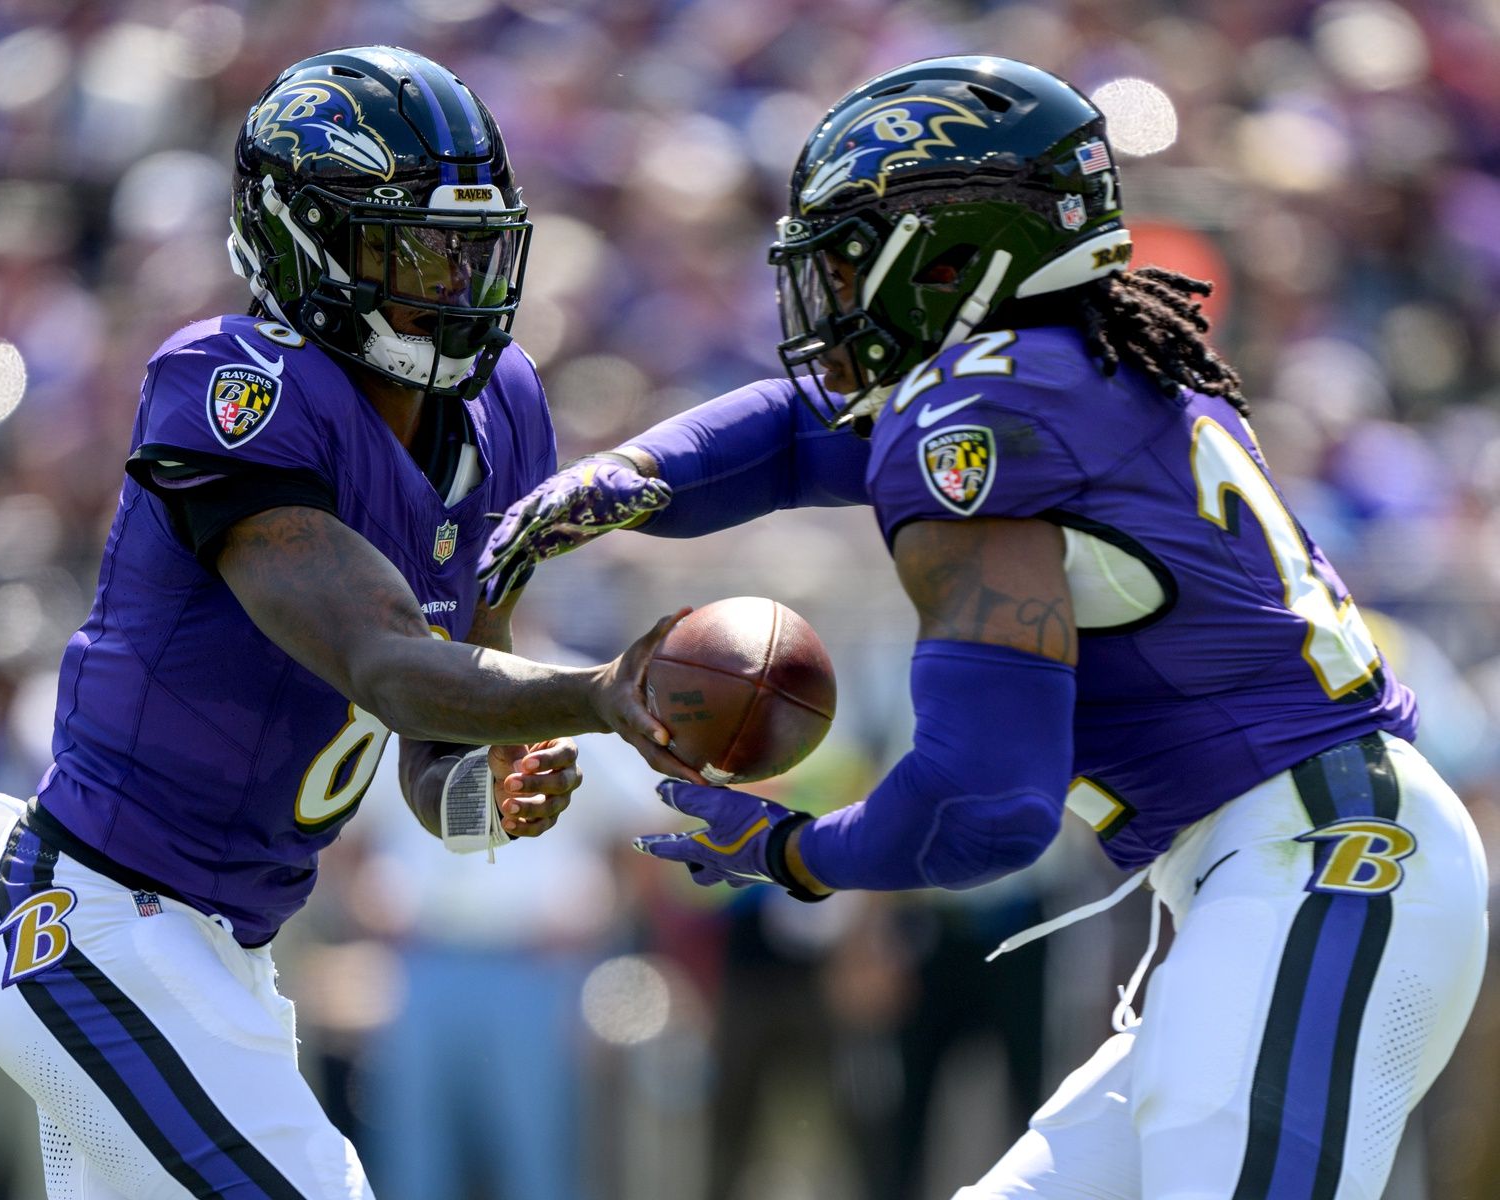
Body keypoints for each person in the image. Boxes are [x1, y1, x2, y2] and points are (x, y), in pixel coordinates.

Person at [479, 56, 1489, 1200]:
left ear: (953, 258)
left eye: (853, 253)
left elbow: (986, 804)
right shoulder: (1071, 373)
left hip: (1319, 859)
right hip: (1266, 865)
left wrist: (788, 851)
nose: (831, 291)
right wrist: (618, 480)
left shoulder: (979, 406)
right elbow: (797, 435)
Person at [0, 45, 694, 1200]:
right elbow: (386, 661)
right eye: (415, 244)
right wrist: (595, 698)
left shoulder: (502, 408)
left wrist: (488, 793)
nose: (457, 277)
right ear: (309, 242)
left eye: (473, 244)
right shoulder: (236, 384)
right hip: (92, 928)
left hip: (220, 952)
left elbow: (437, 740)